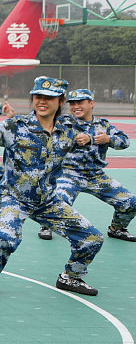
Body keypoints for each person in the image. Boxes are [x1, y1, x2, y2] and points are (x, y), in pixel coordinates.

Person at [0, 77, 104, 297]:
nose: (42, 101)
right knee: (4, 238)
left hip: (47, 200)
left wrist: (94, 140)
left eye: (49, 98)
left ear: (60, 100)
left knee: (92, 238)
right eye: (38, 96)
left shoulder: (69, 130)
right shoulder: (16, 126)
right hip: (14, 197)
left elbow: (95, 139)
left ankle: (70, 277)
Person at [54, 88, 136, 243]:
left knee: (130, 202)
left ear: (91, 103)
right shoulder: (64, 123)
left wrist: (108, 140)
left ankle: (117, 229)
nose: (76, 106)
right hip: (69, 174)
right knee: (57, 202)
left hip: (96, 176)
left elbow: (125, 141)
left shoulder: (103, 125)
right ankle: (46, 227)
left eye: (80, 103)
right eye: (72, 103)